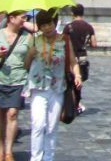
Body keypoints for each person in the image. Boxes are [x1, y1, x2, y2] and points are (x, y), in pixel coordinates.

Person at [24, 8, 82, 161]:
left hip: (57, 88)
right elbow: (26, 64)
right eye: (43, 25)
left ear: (54, 23)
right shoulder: (35, 39)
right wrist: (31, 53)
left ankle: (48, 157)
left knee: (51, 127)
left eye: (49, 24)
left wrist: (78, 75)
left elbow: (72, 62)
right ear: (40, 27)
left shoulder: (64, 40)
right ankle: (35, 158)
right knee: (38, 124)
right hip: (38, 87)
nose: (47, 28)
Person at [0, 10, 31, 161]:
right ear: (11, 18)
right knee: (1, 116)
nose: (25, 20)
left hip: (19, 80)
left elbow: (31, 58)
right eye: (22, 17)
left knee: (12, 114)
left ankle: (9, 152)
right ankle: (0, 150)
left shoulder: (27, 37)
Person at [63, 4, 96, 115]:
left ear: (72, 13)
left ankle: (69, 104)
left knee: (69, 81)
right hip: (82, 57)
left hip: (70, 57)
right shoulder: (89, 27)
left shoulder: (68, 27)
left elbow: (63, 42)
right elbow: (94, 44)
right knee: (78, 82)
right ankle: (76, 104)